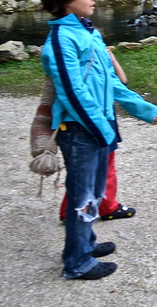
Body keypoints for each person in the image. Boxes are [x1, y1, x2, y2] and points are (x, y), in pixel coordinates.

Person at [40, 0, 157, 280]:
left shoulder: (86, 31)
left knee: (93, 191)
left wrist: (142, 108)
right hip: (80, 130)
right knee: (82, 195)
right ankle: (77, 262)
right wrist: (99, 129)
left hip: (97, 126)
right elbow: (72, 92)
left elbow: (109, 81)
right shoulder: (61, 39)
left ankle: (87, 243)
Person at [58, 49, 137, 222]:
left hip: (99, 119)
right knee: (101, 167)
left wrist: (112, 60)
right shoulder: (83, 65)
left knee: (84, 171)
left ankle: (70, 211)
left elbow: (121, 81)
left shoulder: (80, 62)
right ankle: (107, 207)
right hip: (97, 121)